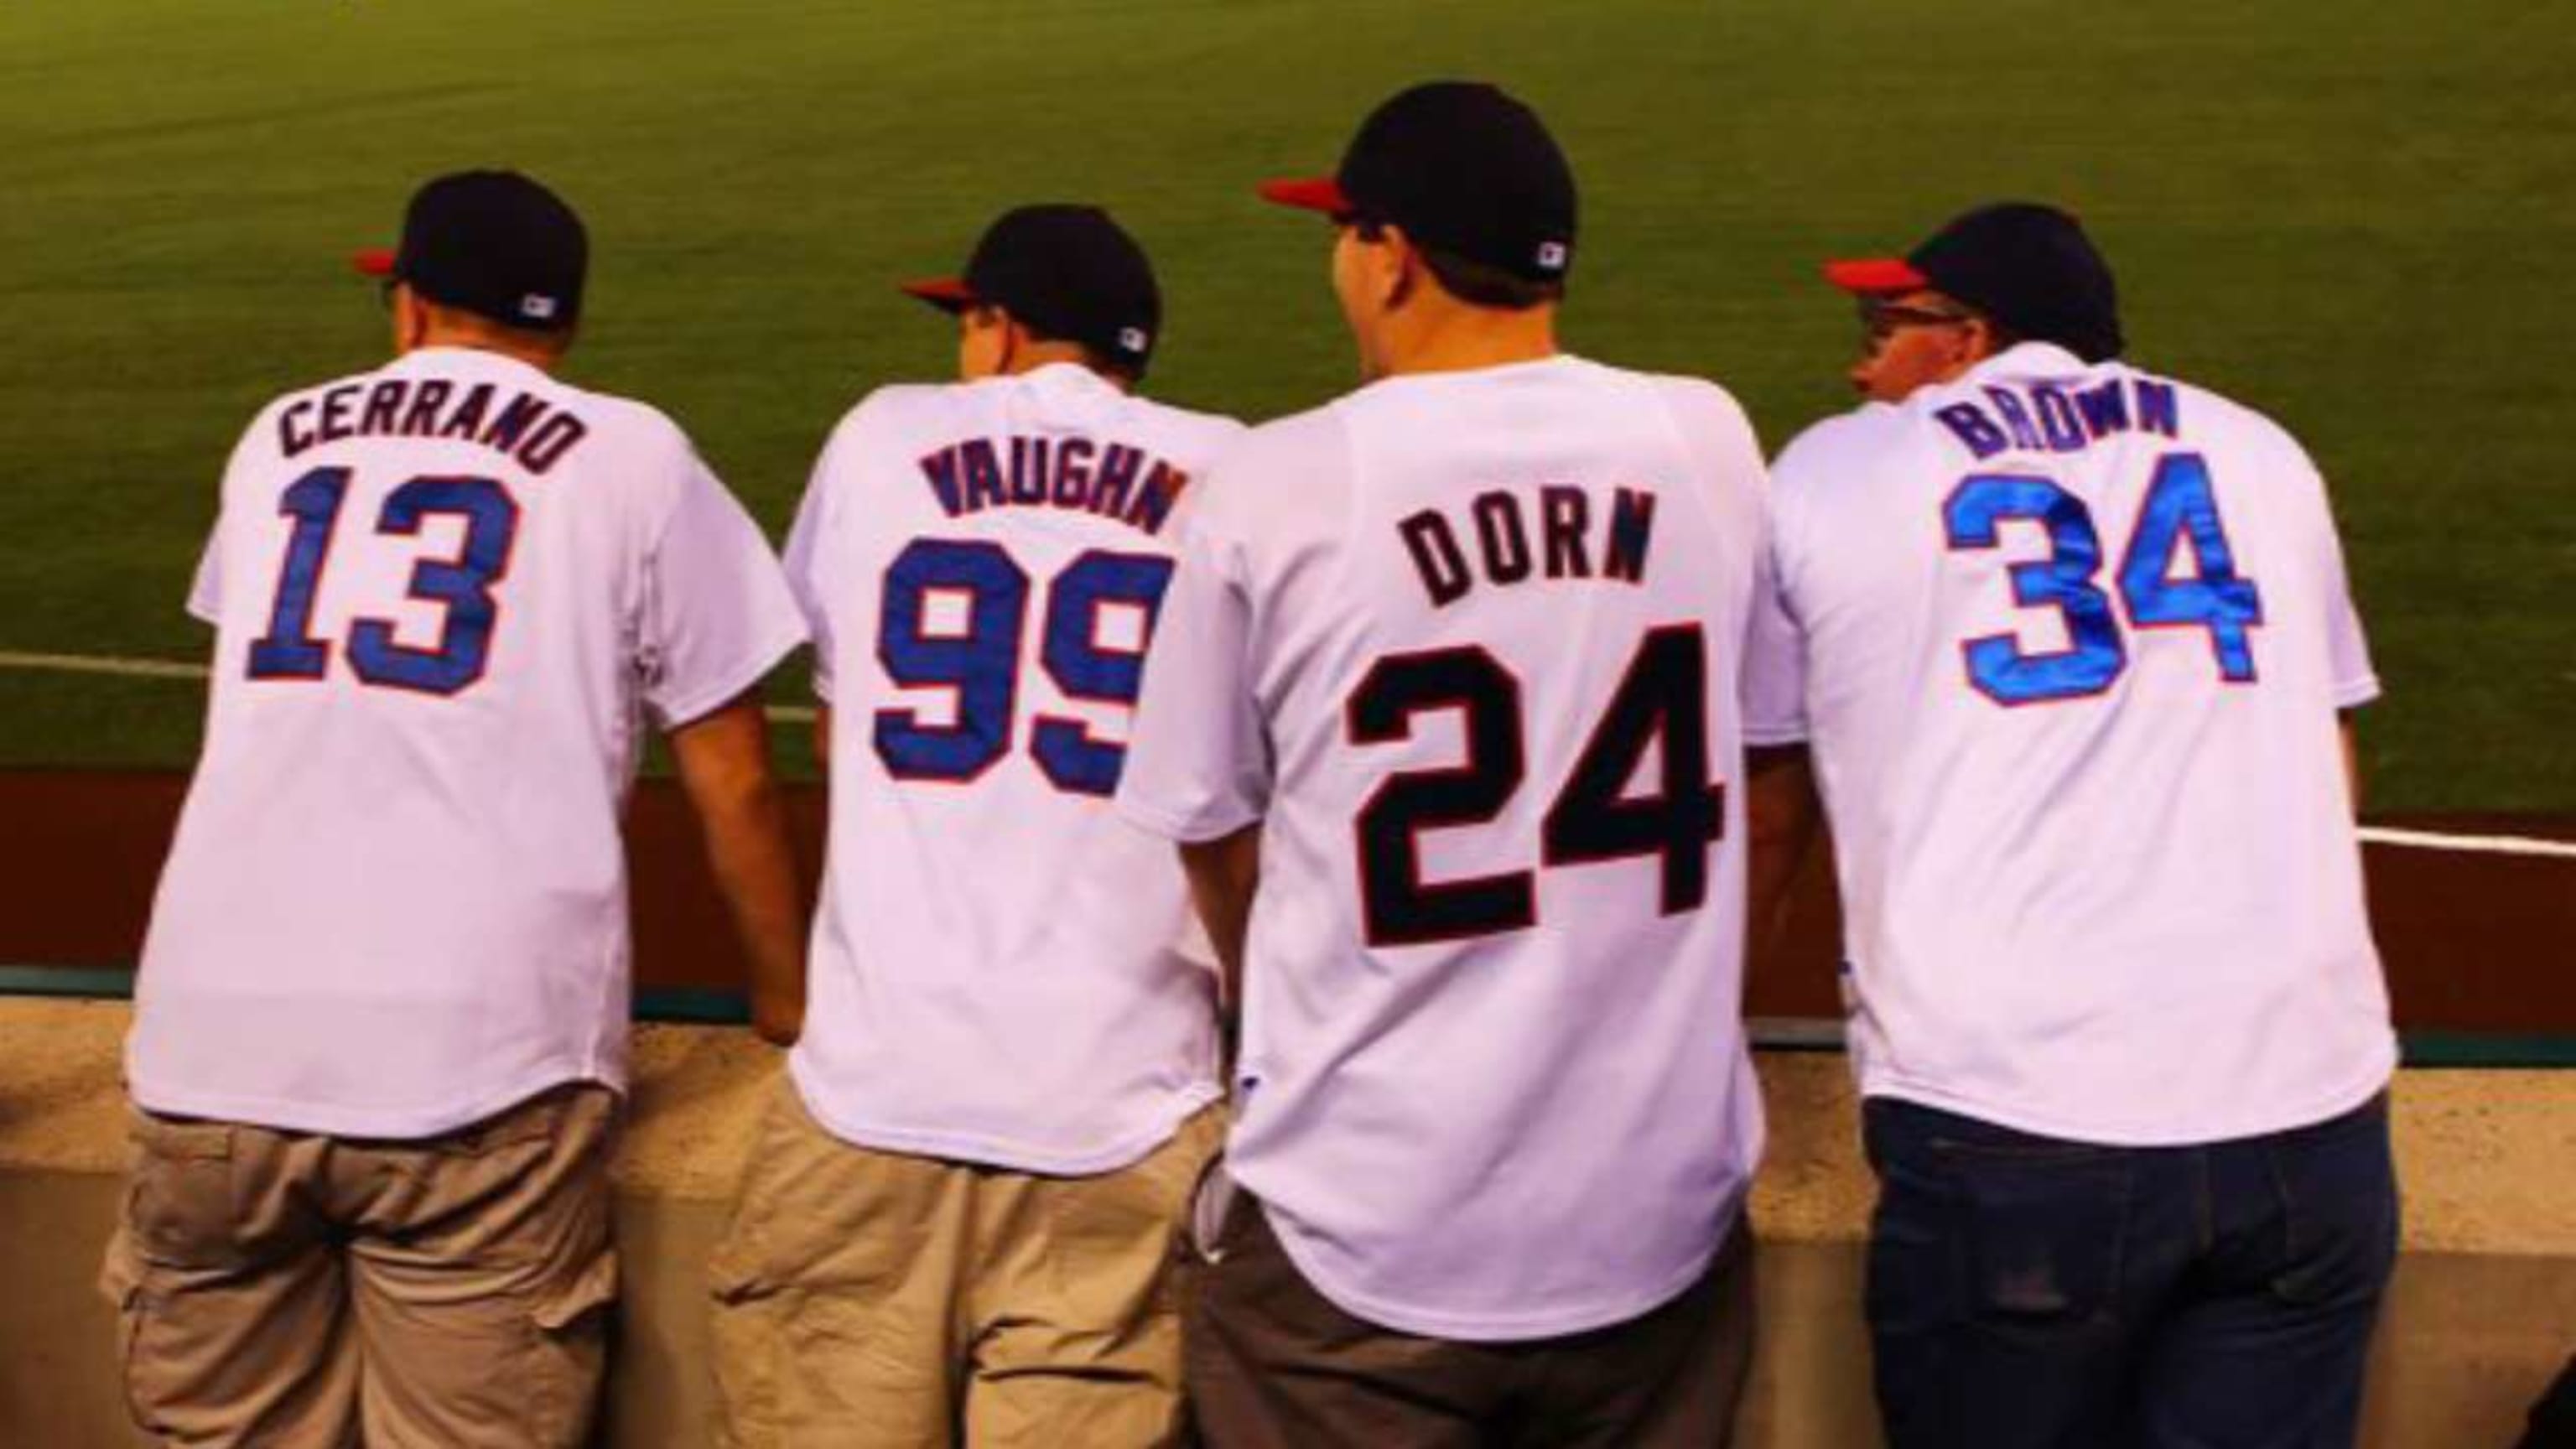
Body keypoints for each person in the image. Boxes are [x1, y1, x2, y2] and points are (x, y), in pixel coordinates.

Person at [1114, 81, 1807, 1446]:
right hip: (1653, 1222)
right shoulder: (1706, 439)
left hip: (1364, 1233)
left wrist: (1285, 1008)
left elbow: (1208, 829)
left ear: (1392, 255)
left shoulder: (1275, 481)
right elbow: (1774, 782)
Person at [106, 169, 810, 1449]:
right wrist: (784, 995)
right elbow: (735, 772)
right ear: (567, 327)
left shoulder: (278, 437)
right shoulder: (634, 453)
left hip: (210, 1061)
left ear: (411, 304)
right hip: (477, 1072)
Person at [1763, 201, 2399, 1447]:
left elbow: (1771, 790)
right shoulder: (2260, 450)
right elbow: (2328, 752)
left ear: (1965, 340)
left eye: (1883, 326)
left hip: (2018, 1120)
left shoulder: (1841, 469)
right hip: (2310, 1120)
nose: (1861, 361)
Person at [709, 204, 1244, 1448]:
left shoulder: (882, 436)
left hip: (869, 1100)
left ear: (999, 334)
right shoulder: (1232, 464)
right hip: (1122, 1104)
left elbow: (849, 719)